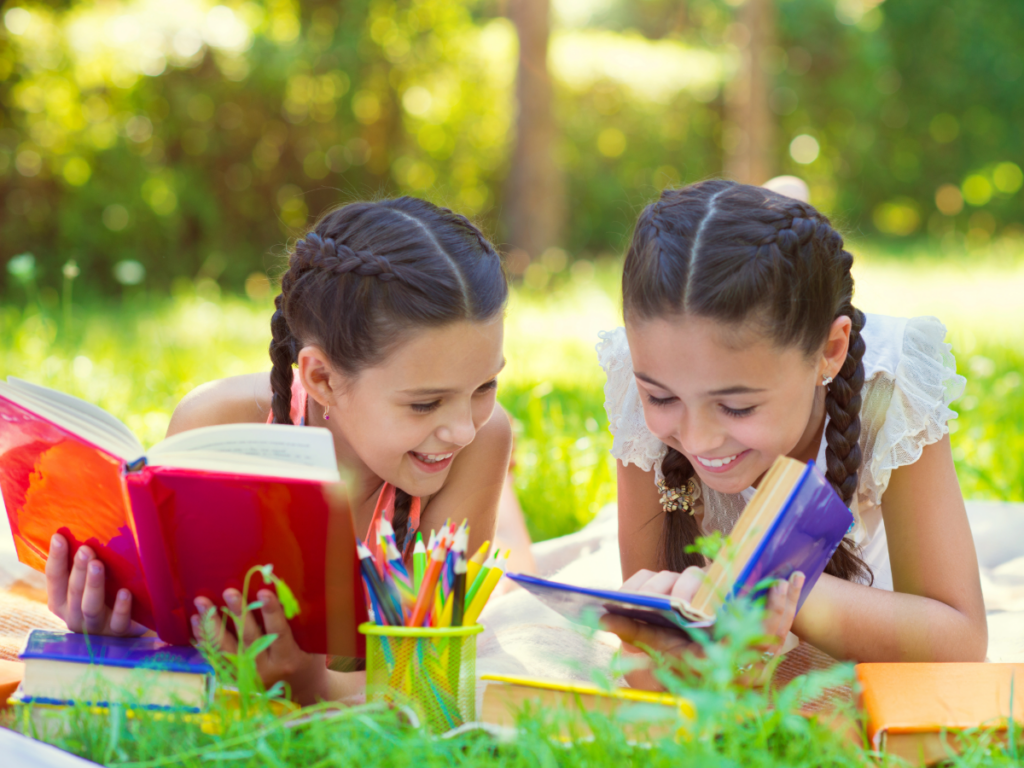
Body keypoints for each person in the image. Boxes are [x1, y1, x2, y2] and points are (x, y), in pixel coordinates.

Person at [43, 197, 513, 704]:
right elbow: (181, 644)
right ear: (322, 379)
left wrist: (319, 689)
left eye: (485, 386)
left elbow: (432, 677)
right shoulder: (216, 426)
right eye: (426, 403)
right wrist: (121, 627)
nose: (463, 428)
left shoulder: (480, 443)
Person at [598, 179, 987, 686]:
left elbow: (960, 641)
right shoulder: (644, 382)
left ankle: (784, 192)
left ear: (830, 351)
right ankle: (781, 192)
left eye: (736, 406)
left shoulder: (888, 391)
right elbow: (651, 648)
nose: (697, 439)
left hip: (872, 621)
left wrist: (766, 589)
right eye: (663, 398)